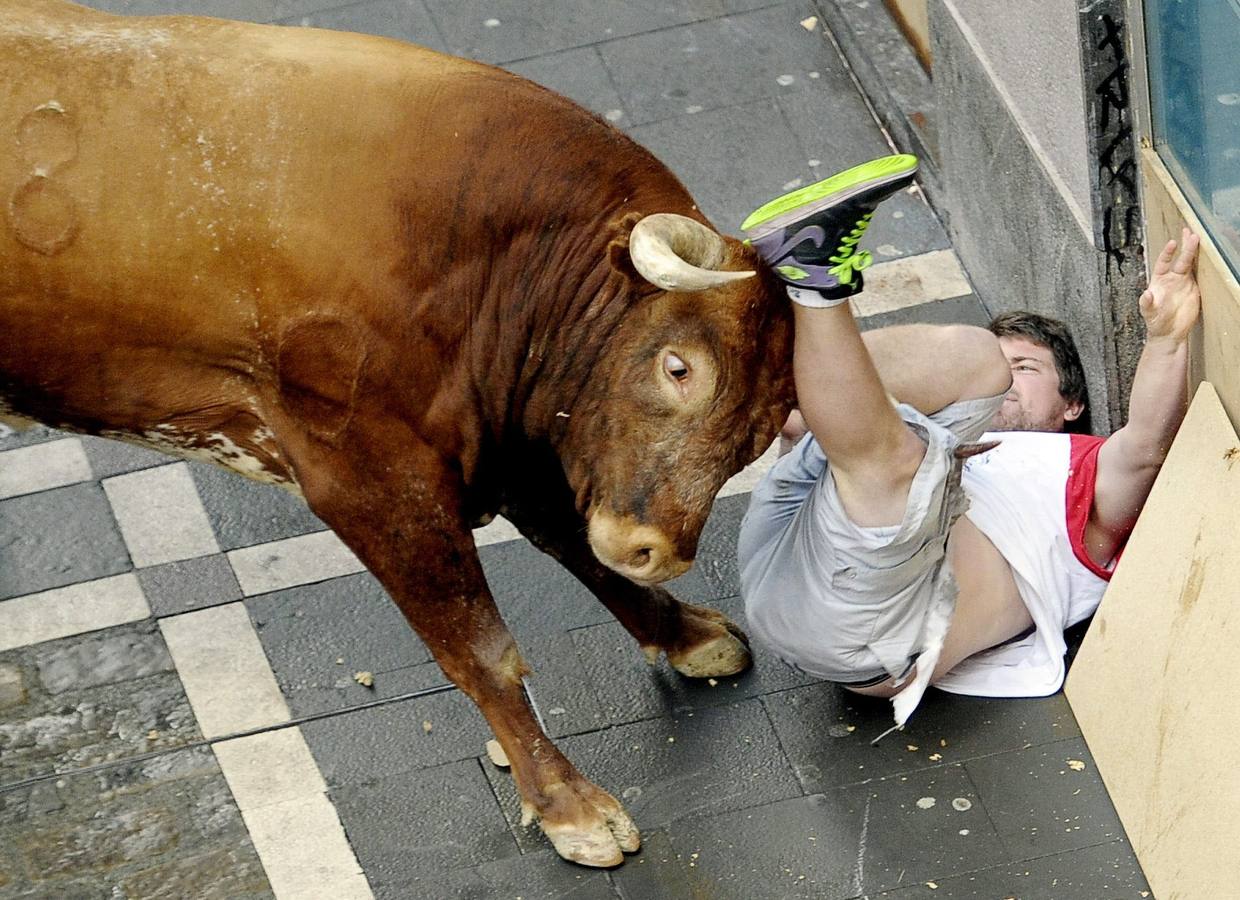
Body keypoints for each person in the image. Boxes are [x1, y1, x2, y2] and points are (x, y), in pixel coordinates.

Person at [737, 153, 1201, 729]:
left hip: (864, 626)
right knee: (967, 358)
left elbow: (1149, 445)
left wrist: (1166, 338)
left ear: (1071, 405)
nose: (1007, 381)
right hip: (784, 531)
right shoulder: (934, 429)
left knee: (901, 461)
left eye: (1027, 371)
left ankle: (805, 290)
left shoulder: (1077, 473)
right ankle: (773, 335)